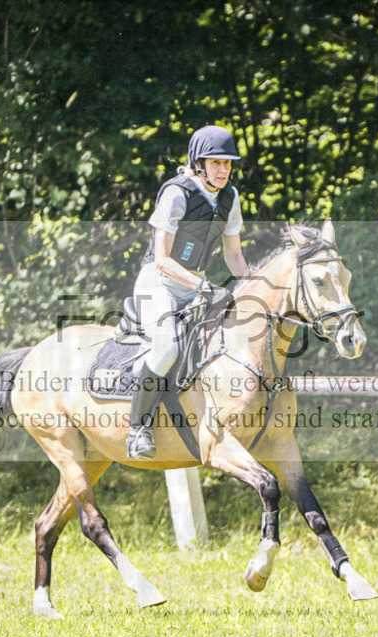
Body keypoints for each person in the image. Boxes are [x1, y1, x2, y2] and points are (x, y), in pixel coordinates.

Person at [126, 125, 251, 460]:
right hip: (159, 282)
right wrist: (203, 287)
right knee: (168, 346)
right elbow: (163, 259)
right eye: (216, 162)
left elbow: (234, 257)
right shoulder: (176, 193)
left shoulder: (230, 198)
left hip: (196, 285)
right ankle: (137, 429)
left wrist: (256, 288)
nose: (224, 170)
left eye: (228, 163)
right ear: (198, 164)